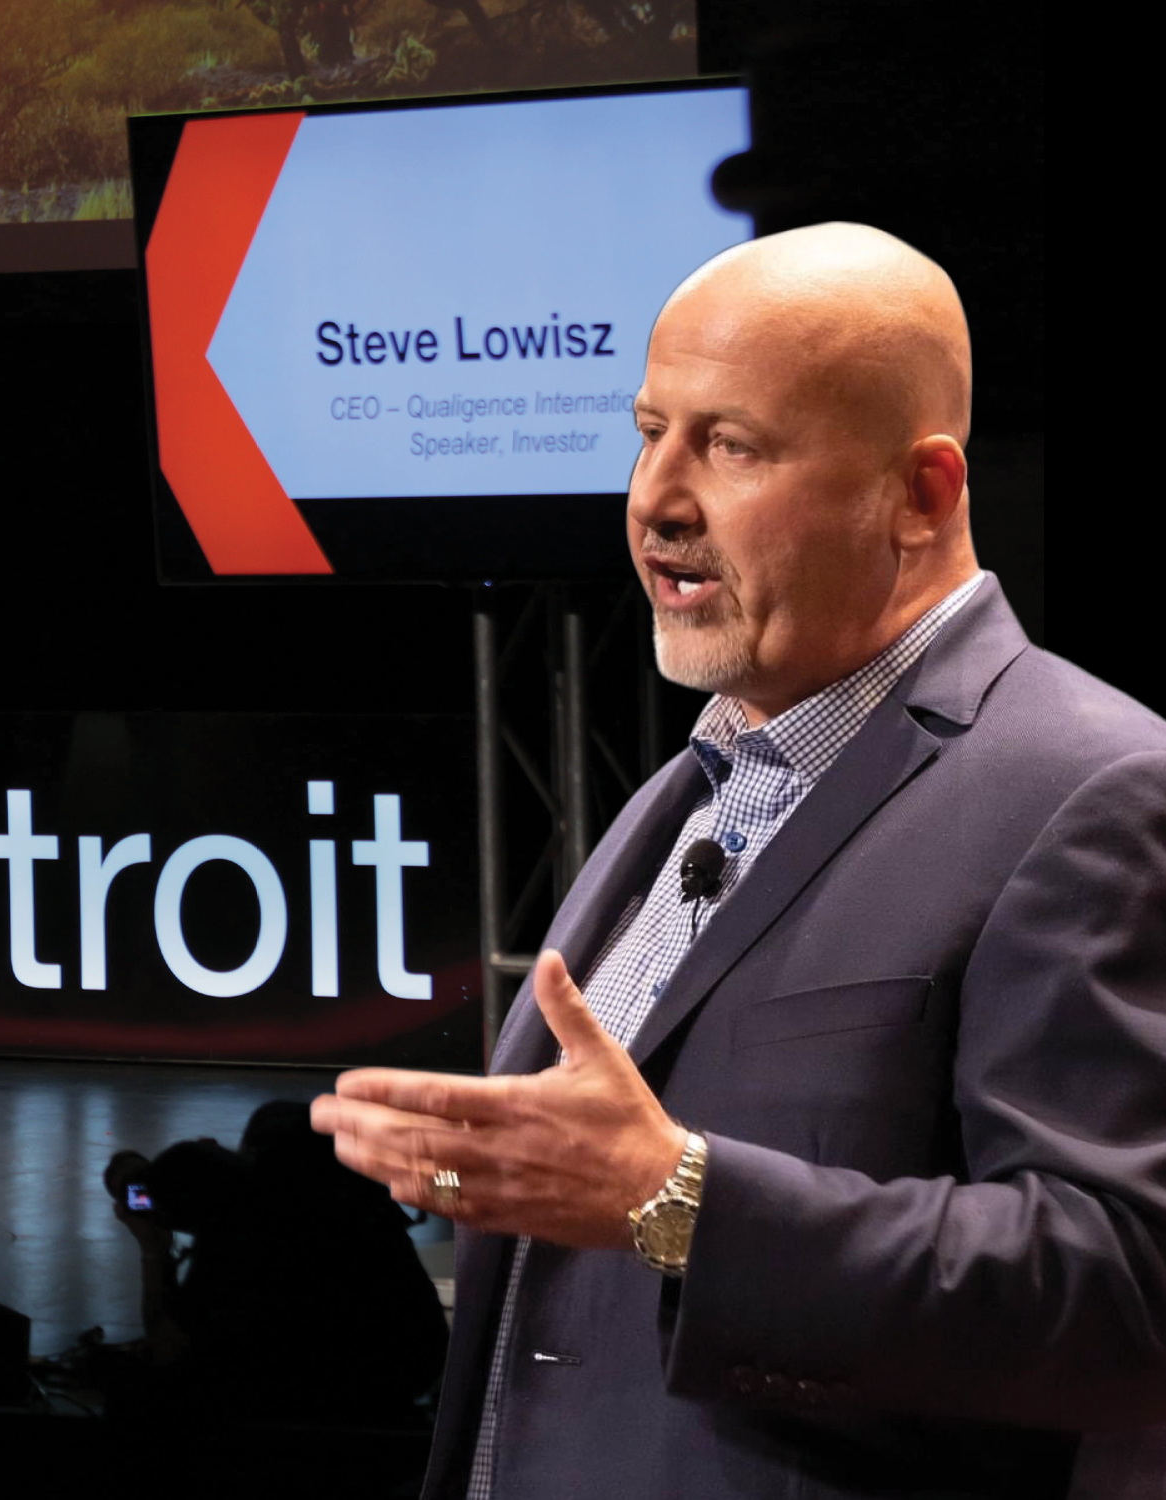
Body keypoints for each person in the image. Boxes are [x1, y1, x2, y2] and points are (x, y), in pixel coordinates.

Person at [308, 223, 1166, 1497]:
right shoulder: (687, 788)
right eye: (648, 430)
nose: (654, 498)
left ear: (920, 494)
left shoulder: (1093, 790)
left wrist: (678, 1202)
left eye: (731, 445)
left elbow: (1122, 1297)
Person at [97, 1100, 450, 1427]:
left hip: (303, 1405)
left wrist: (152, 1250)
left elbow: (163, 1350)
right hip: (409, 1374)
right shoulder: (361, 1196)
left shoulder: (236, 1234)